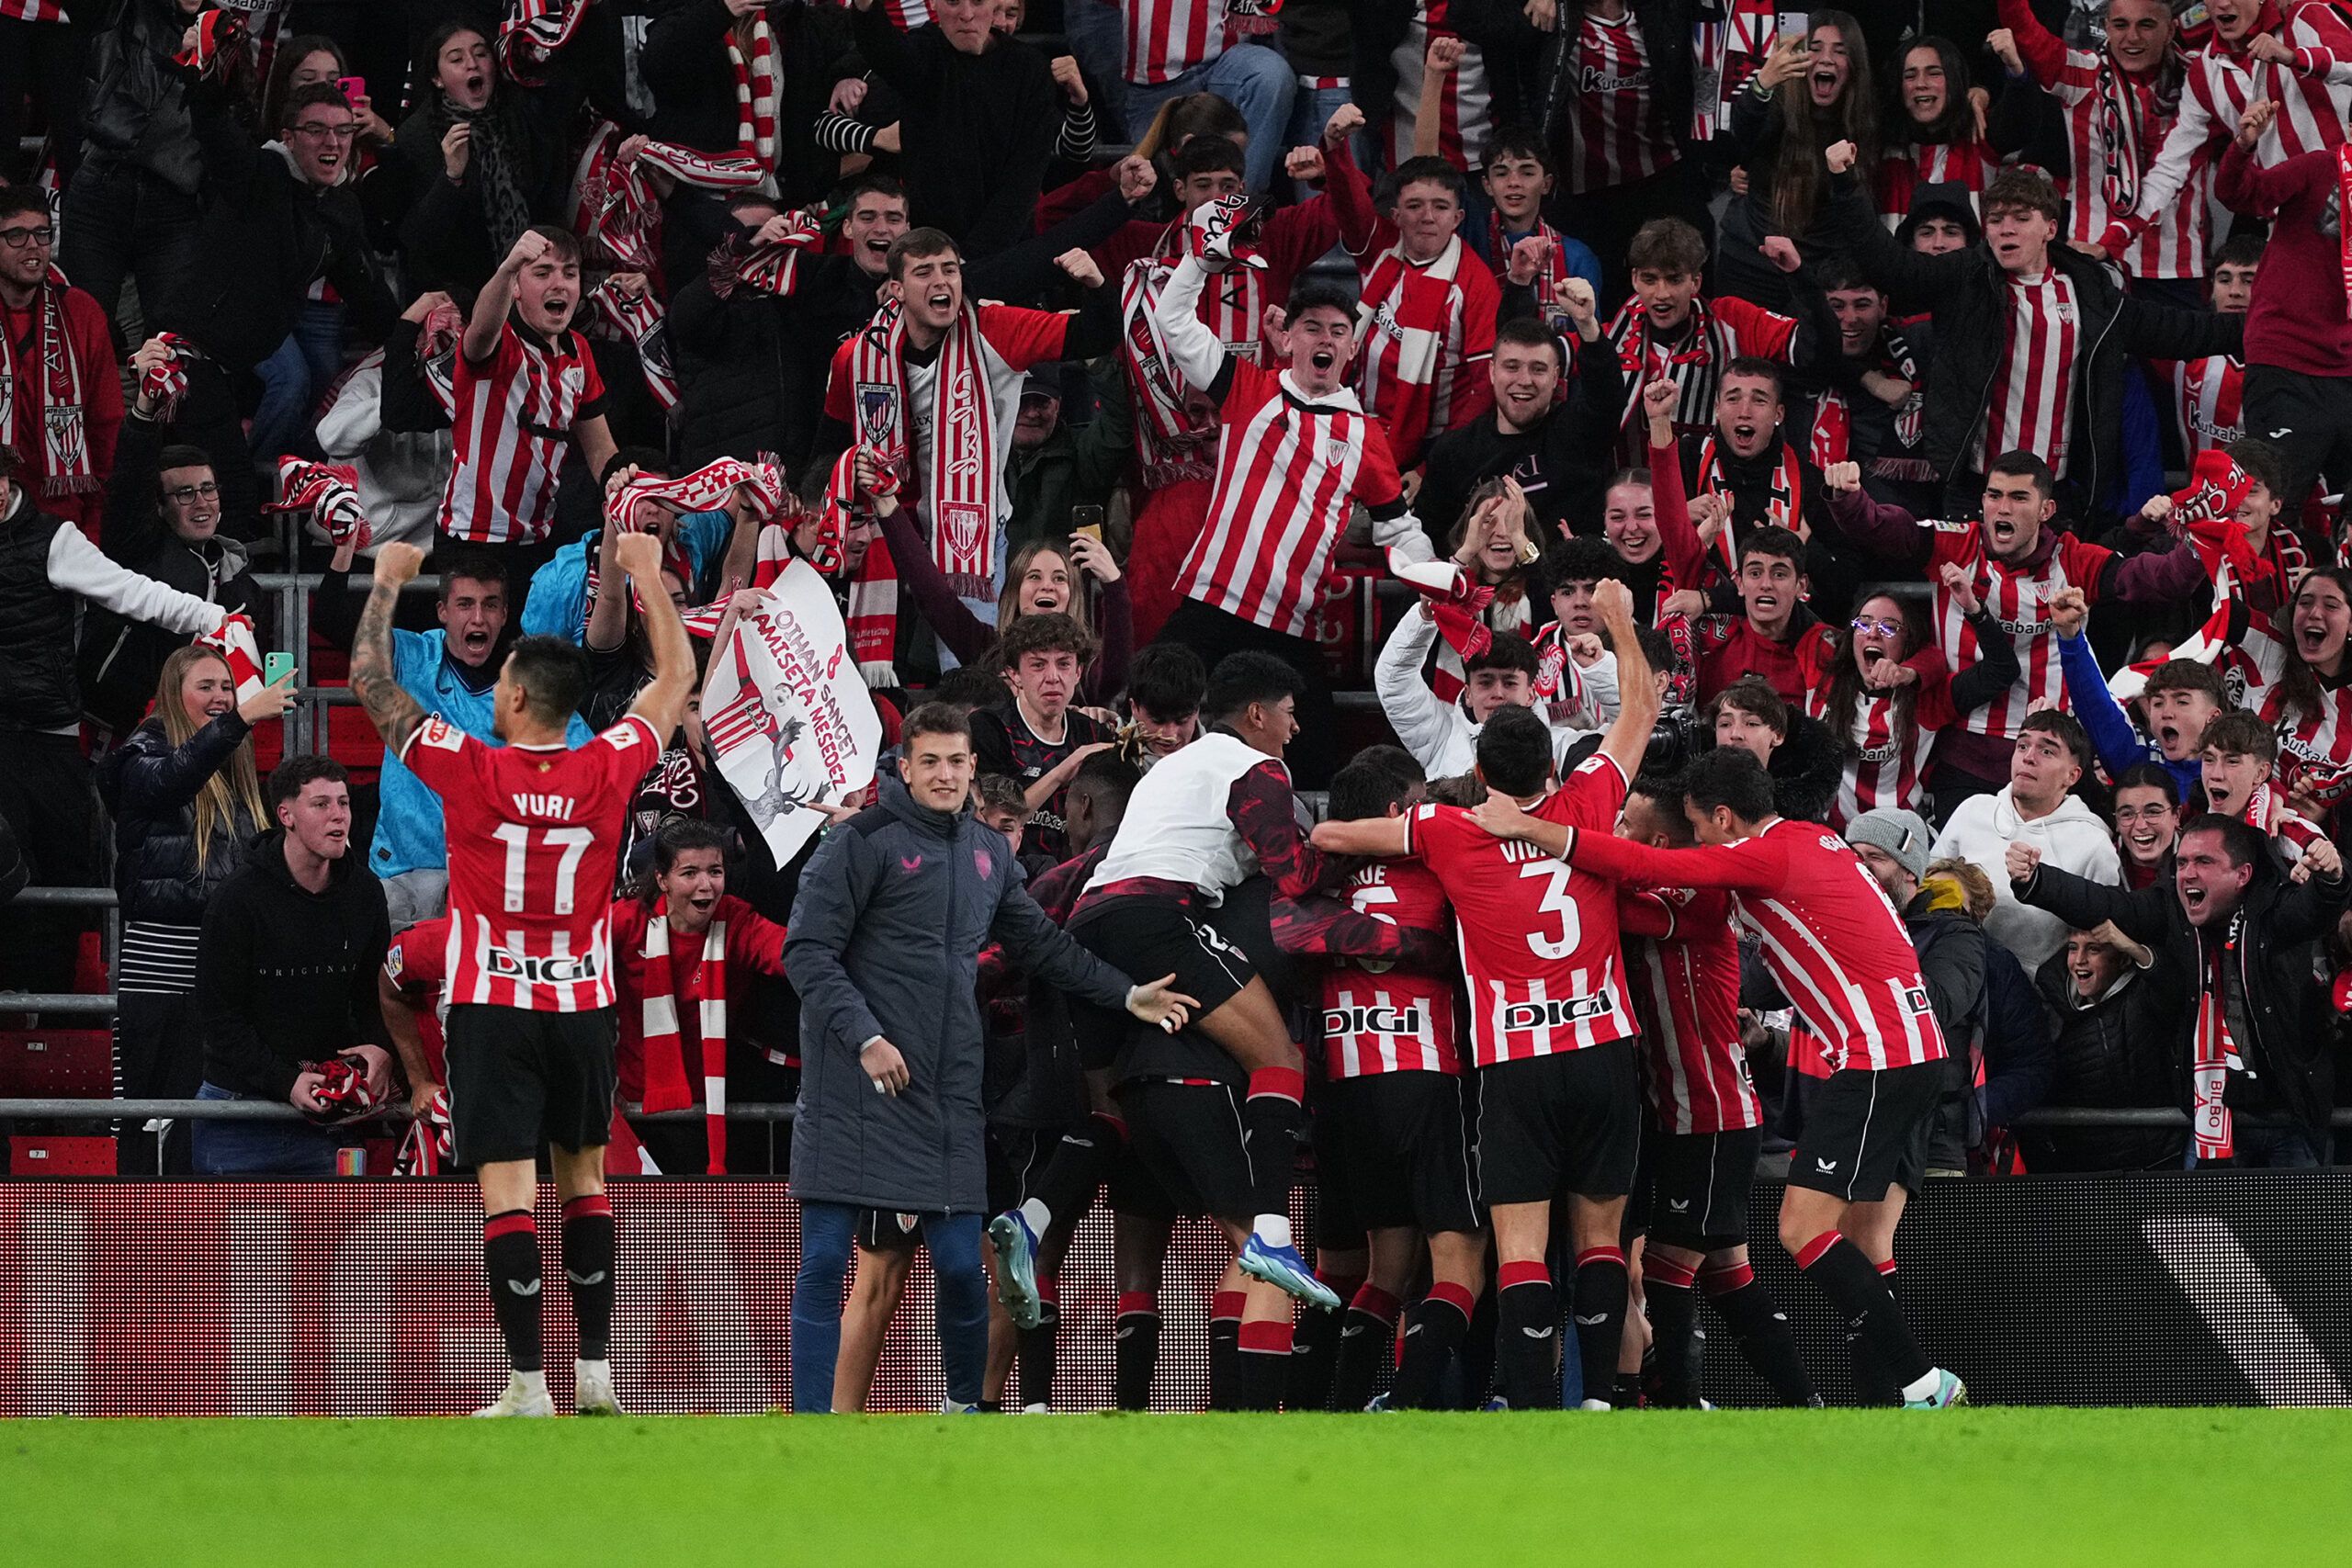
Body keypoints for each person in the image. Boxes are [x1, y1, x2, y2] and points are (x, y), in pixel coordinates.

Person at [1482, 745, 1969, 1410]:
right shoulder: (1815, 837)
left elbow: (1649, 862)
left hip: (1876, 1056)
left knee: (1800, 1228)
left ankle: (1923, 1382)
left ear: (1722, 817)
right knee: (1857, 1237)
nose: (1700, 841)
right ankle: (1890, 1398)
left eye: (1701, 826)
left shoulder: (1761, 853)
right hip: (1910, 1050)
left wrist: (1529, 827)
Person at [346, 532, 692, 1420]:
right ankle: (599, 1374)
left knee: (508, 1190)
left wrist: (388, 585)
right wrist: (648, 577)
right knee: (585, 1181)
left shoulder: (472, 766)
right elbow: (675, 682)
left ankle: (529, 1384)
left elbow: (372, 689)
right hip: (581, 1003)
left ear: (515, 696)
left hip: (494, 1004)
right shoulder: (606, 763)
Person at [1311, 580, 1662, 1410]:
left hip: (1515, 1060)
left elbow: (1328, 831)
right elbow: (1642, 706)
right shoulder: (1590, 803)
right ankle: (1604, 1397)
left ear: (1475, 769)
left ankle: (1533, 1403)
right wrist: (1617, 620)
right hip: (1604, 1047)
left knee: (1521, 1245)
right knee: (1602, 1236)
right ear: (1551, 763)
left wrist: (1415, 831)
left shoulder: (1449, 832)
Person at [783, 701, 1191, 1413]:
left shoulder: (986, 853)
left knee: (962, 1271)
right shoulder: (861, 842)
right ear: (903, 769)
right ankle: (814, 1426)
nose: (944, 774)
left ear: (975, 770)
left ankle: (964, 1412)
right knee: (823, 1260)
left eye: (956, 761)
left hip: (947, 1091)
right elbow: (806, 952)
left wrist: (1127, 995)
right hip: (858, 1081)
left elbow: (1046, 945)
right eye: (929, 761)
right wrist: (866, 1037)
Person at [992, 654, 1346, 1321]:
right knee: (1278, 1058)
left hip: (1089, 925)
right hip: (1153, 916)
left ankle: (1033, 1217)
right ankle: (1272, 1235)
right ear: (1257, 715)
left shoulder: (1170, 769)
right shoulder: (1257, 768)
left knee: (1109, 1114)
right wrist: (1351, 844)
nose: (1296, 730)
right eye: (1291, 715)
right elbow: (1296, 873)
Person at [1148, 199, 1430, 787]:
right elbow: (1172, 322)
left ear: (1352, 349)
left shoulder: (1364, 437)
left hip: (1288, 628)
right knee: (1149, 704)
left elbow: (1399, 530)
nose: (1324, 339)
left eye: (1337, 330)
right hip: (1211, 605)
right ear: (1290, 339)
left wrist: (1441, 587)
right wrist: (1200, 264)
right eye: (1311, 328)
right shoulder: (1246, 388)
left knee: (1316, 760)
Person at [1818, 152, 2243, 521]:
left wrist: (2260, 332)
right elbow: (1892, 267)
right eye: (1997, 220)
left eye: (2021, 219)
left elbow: (2179, 331)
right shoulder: (1965, 278)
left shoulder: (2092, 295)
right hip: (1975, 488)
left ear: (2050, 229)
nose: (2006, 229)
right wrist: (1846, 184)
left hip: (2055, 494)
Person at [1818, 450, 2211, 810]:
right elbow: (1885, 528)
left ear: (2046, 509)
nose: (2002, 507)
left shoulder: (2074, 559)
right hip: (1964, 754)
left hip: (2052, 753)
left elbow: (2161, 579)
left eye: (2019, 498)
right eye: (1994, 495)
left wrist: (2199, 536)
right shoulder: (1955, 545)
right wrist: (1849, 497)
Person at [1615, 771, 1819, 1410]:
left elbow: (1609, 904)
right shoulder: (1664, 895)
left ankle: (1679, 1410)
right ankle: (1801, 1400)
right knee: (1729, 1276)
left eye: (1624, 824)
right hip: (1687, 1115)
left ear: (1652, 839)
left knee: (1670, 1273)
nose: (1614, 833)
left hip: (1709, 1117)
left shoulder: (1695, 901)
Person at [0, 443, 230, 995]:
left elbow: (132, 592)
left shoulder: (53, 539)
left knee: (61, 884)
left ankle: (47, 1013)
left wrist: (209, 615)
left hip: (52, 741)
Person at [2009, 813, 2347, 1170]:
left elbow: (2316, 908)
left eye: (2204, 861)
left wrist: (2332, 878)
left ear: (2242, 875)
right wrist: (2038, 879)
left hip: (2290, 1118)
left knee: (2297, 1227)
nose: (2188, 873)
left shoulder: (2275, 910)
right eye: (2182, 862)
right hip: (2213, 1119)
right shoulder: (2171, 908)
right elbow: (2109, 905)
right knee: (2204, 1228)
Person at [311, 542, 584, 930]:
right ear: (442, 612)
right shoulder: (412, 657)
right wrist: (346, 551)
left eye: (490, 605)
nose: (478, 617)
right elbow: (330, 616)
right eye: (464, 604)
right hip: (401, 878)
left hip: (488, 883)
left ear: (505, 614)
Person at [99, 645, 295, 1173]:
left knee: (207, 1119)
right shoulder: (140, 754)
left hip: (221, 968)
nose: (220, 697)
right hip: (160, 967)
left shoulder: (233, 769)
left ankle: (200, 1244)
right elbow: (172, 779)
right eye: (205, 686)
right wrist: (240, 719)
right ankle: (139, 1239)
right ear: (172, 694)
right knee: (150, 1117)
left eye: (226, 687)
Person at [192, 757, 393, 1177]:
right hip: (240, 1113)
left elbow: (376, 994)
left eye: (344, 802)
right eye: (321, 804)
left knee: (332, 1246)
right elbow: (219, 1019)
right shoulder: (236, 900)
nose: (338, 815)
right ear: (286, 815)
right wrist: (286, 1081)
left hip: (330, 1117)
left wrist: (380, 1049)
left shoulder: (365, 893)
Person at [608, 818, 791, 1178]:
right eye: (689, 873)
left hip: (702, 1109)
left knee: (696, 1230)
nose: (705, 885)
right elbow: (571, 971)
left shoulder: (735, 921)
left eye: (715, 871)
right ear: (662, 879)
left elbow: (793, 954)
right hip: (628, 1111)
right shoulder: (627, 922)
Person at [441, 228, 619, 583]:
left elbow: (601, 453)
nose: (559, 283)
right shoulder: (499, 341)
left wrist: (630, 493)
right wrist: (507, 270)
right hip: (474, 539)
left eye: (569, 273)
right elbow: (480, 328)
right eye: (542, 272)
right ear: (516, 289)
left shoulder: (579, 351)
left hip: (539, 539)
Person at [1989, 0, 2200, 294]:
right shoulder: (2082, 73)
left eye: (2147, 25)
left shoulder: (2200, 77)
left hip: (2175, 268)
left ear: (2170, 30)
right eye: (2121, 25)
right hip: (2092, 260)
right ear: (2106, 28)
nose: (2132, 37)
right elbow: (2024, 29)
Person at [1323, 124, 1500, 469]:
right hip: (1353, 420)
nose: (1428, 217)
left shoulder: (1476, 283)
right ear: (1396, 215)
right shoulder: (1381, 246)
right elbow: (1347, 200)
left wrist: (1432, 467)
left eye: (1440, 206)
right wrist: (1334, 146)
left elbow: (1483, 389)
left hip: (1431, 444)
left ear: (1457, 218)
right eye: (1415, 205)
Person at [85, 395, 257, 736]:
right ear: (159, 507)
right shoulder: (136, 549)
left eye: (208, 489)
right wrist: (144, 413)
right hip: (104, 721)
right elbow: (129, 483)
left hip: (182, 731)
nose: (201, 502)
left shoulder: (235, 572)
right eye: (184, 493)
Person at [2217, 98, 2352, 522]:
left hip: (2348, 372)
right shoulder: (2317, 168)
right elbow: (2241, 194)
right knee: (2266, 508)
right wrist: (2242, 147)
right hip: (2288, 365)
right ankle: (2248, 587)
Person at [846, 0, 1060, 257]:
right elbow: (884, 50)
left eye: (978, 2)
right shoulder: (924, 53)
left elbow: (1023, 179)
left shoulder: (1031, 70)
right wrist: (866, 6)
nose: (966, 15)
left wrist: (971, 261)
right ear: (933, 3)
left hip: (1005, 252)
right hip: (928, 252)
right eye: (953, 2)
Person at [1804, 581, 2019, 829]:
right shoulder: (1822, 673)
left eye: (1888, 627)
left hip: (1896, 841)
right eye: (1863, 623)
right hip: (1829, 832)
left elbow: (2002, 670)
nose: (1873, 633)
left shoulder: (1926, 698)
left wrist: (1975, 610)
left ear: (1908, 641)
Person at [1414, 308, 1627, 546]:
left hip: (1566, 580)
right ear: (1492, 372)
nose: (1524, 381)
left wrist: (1587, 325)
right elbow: (1429, 543)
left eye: (1538, 369)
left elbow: (1608, 397)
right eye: (1512, 367)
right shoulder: (1453, 453)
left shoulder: (1580, 433)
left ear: (1556, 377)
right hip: (1478, 582)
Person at [1932, 709, 2120, 973]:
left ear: (2073, 776)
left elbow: (2102, 937)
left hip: (2038, 999)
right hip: (1955, 971)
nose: (2028, 757)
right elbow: (1929, 886)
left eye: (2047, 751)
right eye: (2022, 745)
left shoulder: (2094, 844)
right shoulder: (1972, 811)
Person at [0, 186, 119, 538]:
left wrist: (96, 522)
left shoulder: (81, 312)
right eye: (16, 235)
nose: (33, 246)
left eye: (42, 233)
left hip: (64, 515)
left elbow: (106, 422)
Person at [2029, 921, 2191, 1173]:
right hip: (2088, 1171)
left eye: (2093, 950)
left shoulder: (2144, 997)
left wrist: (2132, 946)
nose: (2079, 960)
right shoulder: (2050, 1004)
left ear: (2122, 960)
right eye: (2073, 948)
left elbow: (2171, 982)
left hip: (2159, 1162)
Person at [970, 613, 1114, 865]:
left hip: (1075, 879)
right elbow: (998, 823)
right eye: (1038, 665)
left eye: (1064, 664)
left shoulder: (1093, 734)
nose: (1053, 677)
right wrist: (1063, 771)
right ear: (1014, 674)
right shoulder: (989, 727)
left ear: (1078, 672)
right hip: (1006, 873)